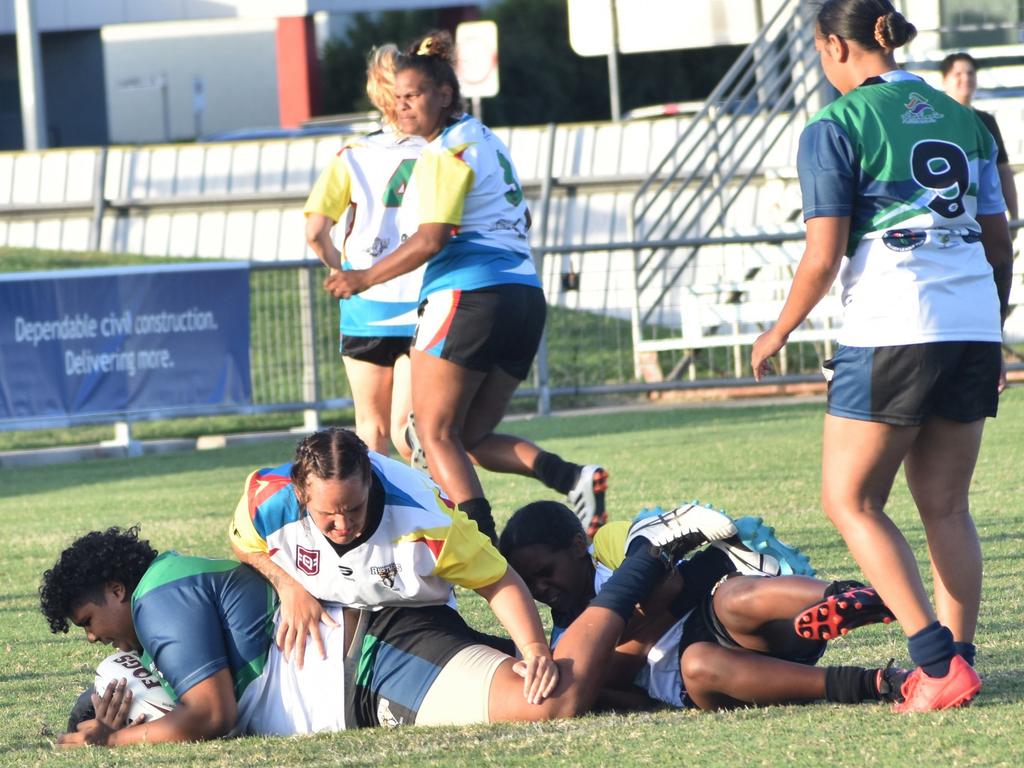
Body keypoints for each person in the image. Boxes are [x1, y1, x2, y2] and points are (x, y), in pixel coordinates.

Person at [750, 0, 1013, 712]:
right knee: (946, 506)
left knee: (850, 499)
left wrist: (775, 333)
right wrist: (992, 326)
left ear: (835, 45)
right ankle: (959, 659)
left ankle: (934, 663)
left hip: (894, 325)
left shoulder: (834, 126)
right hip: (971, 322)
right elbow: (999, 241)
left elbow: (824, 254)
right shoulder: (965, 120)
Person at [41, 516, 727, 745]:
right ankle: (689, 678)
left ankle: (648, 555)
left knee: (550, 700)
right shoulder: (165, 600)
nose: (97, 636)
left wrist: (114, 740)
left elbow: (210, 714)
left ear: (114, 589)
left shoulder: (161, 594)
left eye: (89, 621)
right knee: (604, 691)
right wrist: (103, 713)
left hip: (377, 658)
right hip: (370, 665)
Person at [321, 31, 607, 545]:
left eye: (414, 96)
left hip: (469, 297)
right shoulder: (487, 139)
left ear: (445, 95)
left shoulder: (444, 152)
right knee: (468, 436)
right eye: (399, 98)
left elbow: (431, 239)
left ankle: (483, 547)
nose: (403, 108)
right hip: (523, 295)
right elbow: (523, 216)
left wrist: (363, 277)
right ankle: (572, 477)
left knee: (430, 434)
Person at [228, 426, 555, 701]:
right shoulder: (268, 499)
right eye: (328, 514)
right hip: (342, 619)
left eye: (354, 509)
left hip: (419, 616)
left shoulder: (429, 521)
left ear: (369, 481)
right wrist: (289, 587)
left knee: (518, 684)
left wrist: (535, 648)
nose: (342, 525)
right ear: (300, 494)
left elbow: (498, 581)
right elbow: (243, 543)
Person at [499, 501, 907, 710]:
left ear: (577, 547)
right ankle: (875, 682)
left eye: (545, 571)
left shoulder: (607, 549)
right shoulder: (561, 638)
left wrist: (638, 626)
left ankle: (854, 597)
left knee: (734, 595)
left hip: (718, 619)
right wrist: (654, 612)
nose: (541, 587)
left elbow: (668, 574)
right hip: (689, 678)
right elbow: (621, 680)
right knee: (700, 663)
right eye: (529, 582)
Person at [304, 45, 424, 459]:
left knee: (370, 432)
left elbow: (316, 231)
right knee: (410, 432)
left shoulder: (352, 155)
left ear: (375, 93)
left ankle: (376, 522)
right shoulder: (438, 150)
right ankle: (427, 508)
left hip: (366, 306)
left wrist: (345, 271)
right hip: (421, 298)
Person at [940, 52, 1019, 234]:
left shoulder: (986, 120)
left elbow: (1003, 169)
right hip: (950, 215)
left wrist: (1013, 217)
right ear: (945, 80)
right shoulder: (937, 120)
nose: (965, 78)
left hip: (984, 212)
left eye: (970, 73)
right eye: (958, 74)